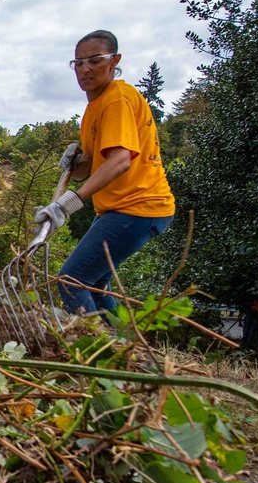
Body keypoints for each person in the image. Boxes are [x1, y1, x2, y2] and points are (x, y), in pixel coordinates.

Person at [34, 30, 175, 317]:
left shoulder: (116, 100)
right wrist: (79, 162)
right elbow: (98, 167)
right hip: (124, 209)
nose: (86, 69)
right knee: (95, 284)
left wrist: (68, 203)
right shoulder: (95, 107)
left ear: (114, 61)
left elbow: (121, 160)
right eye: (79, 62)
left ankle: (101, 350)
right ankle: (126, 354)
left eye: (95, 60)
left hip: (137, 207)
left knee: (71, 281)